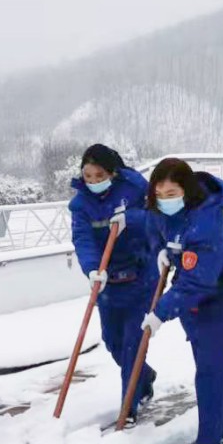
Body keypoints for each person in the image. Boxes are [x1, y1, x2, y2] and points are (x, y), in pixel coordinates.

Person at [140, 158, 223, 444]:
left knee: (209, 368)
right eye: (159, 195)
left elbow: (198, 280)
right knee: (213, 361)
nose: (165, 201)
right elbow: (154, 233)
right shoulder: (161, 211)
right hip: (196, 301)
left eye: (172, 193)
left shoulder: (208, 221)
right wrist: (161, 252)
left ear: (187, 191)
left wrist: (161, 312)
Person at [68, 144, 160, 421]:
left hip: (141, 278)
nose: (93, 182)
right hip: (108, 283)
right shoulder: (81, 205)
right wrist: (93, 269)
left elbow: (158, 219)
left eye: (99, 175)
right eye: (88, 176)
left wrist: (130, 218)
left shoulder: (134, 190)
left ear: (113, 172)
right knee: (113, 342)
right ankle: (143, 376)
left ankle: (128, 409)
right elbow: (83, 239)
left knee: (132, 344)